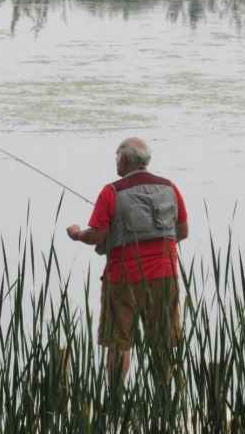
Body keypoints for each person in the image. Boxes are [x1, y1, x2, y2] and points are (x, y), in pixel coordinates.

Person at [66, 137, 188, 385]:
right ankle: (163, 398)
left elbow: (97, 236)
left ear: (124, 160)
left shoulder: (111, 192)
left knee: (119, 342)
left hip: (123, 278)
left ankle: (115, 401)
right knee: (162, 341)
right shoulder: (170, 188)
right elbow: (182, 232)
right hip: (165, 278)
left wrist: (76, 234)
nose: (115, 162)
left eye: (116, 157)